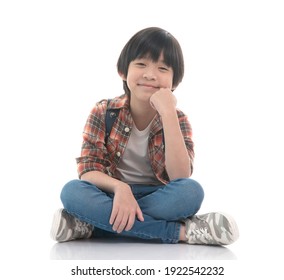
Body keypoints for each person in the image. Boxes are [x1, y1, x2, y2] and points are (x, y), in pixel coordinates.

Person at [50, 27, 239, 245]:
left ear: (174, 81)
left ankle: (92, 225)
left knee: (191, 192)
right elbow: (88, 170)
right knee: (72, 192)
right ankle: (183, 233)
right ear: (123, 71)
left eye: (162, 68)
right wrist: (121, 188)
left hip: (157, 198)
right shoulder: (103, 111)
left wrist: (168, 113)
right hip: (111, 196)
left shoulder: (179, 119)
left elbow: (180, 177)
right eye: (141, 64)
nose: (150, 74)